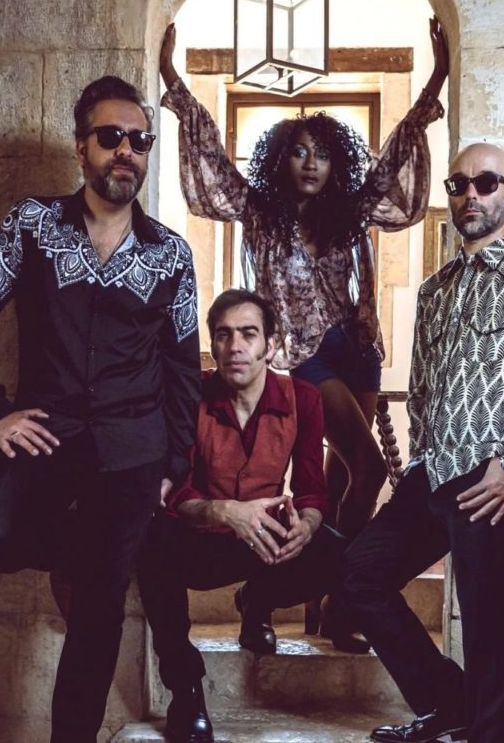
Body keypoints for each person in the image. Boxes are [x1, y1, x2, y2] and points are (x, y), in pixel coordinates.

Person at [159, 18, 449, 645]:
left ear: (334, 160)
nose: (311, 162)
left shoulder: (351, 211)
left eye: (321, 152)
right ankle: (344, 600)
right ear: (281, 158)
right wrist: (174, 83)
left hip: (358, 350)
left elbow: (396, 160)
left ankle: (326, 606)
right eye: (299, 151)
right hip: (308, 354)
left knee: (343, 480)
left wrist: (435, 83)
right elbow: (213, 169)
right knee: (369, 470)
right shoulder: (261, 212)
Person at [0, 75, 201, 743]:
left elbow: (182, 368)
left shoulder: (171, 255)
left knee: (99, 610)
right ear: (81, 145)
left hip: (132, 449)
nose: (126, 151)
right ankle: (102, 552)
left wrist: (173, 464)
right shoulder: (32, 224)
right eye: (111, 137)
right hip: (48, 435)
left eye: (139, 140)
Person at [339, 143, 504, 743]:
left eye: (487, 182)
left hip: (494, 479)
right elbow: (422, 388)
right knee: (358, 576)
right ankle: (449, 704)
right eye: (459, 184)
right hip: (433, 475)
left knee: (487, 621)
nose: (471, 193)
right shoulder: (435, 289)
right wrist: (417, 463)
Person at [137, 288, 345, 743]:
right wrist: (225, 512)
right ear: (212, 345)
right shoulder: (190, 394)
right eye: (224, 335)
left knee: (336, 553)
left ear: (271, 344)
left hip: (263, 540)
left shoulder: (303, 398)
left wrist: (306, 525)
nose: (235, 346)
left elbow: (312, 488)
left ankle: (257, 601)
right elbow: (175, 492)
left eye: (248, 334)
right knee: (150, 543)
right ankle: (186, 690)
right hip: (197, 538)